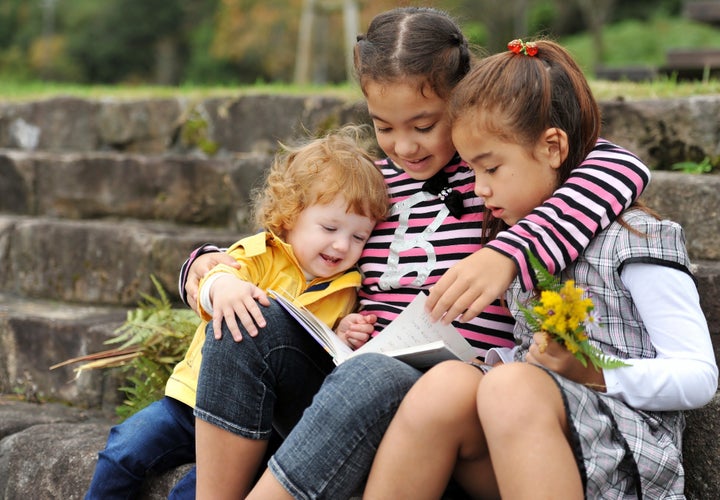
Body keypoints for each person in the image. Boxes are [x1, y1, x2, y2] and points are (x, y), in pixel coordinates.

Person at [186, 8, 653, 499]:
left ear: (463, 100)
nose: (404, 146)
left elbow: (620, 166)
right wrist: (206, 266)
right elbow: (280, 237)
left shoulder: (493, 176)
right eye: (384, 127)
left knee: (375, 373)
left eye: (425, 125)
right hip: (346, 379)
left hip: (445, 401)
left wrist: (507, 253)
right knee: (243, 325)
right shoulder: (369, 183)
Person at [362, 39, 719, 499]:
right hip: (540, 437)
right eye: (472, 172)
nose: (480, 190)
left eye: (490, 169)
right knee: (448, 383)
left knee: (509, 386)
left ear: (552, 147)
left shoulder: (637, 241)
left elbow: (699, 377)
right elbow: (534, 370)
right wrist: (494, 363)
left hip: (628, 451)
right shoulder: (522, 245)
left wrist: (594, 373)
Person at [84, 125, 388, 500]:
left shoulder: (347, 289)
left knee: (194, 491)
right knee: (124, 450)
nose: (342, 244)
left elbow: (310, 362)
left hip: (258, 425)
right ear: (291, 214)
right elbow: (214, 277)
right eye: (329, 227)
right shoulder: (261, 253)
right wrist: (223, 287)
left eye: (359, 237)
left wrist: (342, 336)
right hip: (189, 399)